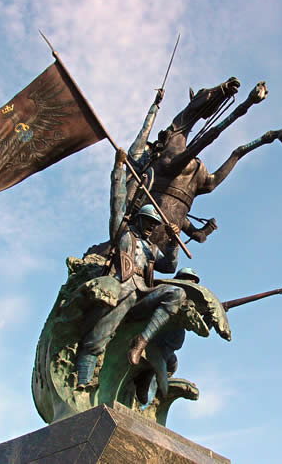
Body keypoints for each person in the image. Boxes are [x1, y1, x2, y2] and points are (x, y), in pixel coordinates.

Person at [75, 148, 185, 388]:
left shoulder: (152, 248)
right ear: (139, 220)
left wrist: (174, 243)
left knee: (176, 293)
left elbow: (170, 266)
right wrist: (118, 169)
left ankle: (141, 342)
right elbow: (117, 204)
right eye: (148, 222)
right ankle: (82, 381)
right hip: (121, 288)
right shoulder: (124, 235)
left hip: (141, 295)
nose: (150, 227)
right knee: (97, 339)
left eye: (154, 224)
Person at [134, 267, 200, 404]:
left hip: (169, 350)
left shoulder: (189, 303)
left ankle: (148, 376)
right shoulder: (169, 292)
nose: (192, 281)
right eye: (188, 278)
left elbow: (198, 328)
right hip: (156, 341)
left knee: (172, 364)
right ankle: (146, 374)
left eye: (194, 280)